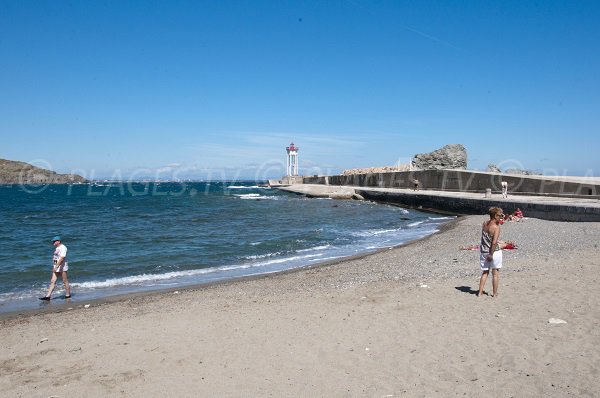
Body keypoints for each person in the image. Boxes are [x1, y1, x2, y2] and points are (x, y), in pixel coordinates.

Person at [477, 207, 509, 297]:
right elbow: (494, 242)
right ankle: (495, 294)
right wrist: (491, 254)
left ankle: (480, 292)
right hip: (493, 252)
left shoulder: (485, 223)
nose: (501, 217)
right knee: (495, 273)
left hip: (483, 251)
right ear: (495, 215)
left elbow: (486, 238)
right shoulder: (496, 227)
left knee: (485, 272)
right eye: (500, 215)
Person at [39, 236, 71, 300]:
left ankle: (67, 295)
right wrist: (55, 266)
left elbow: (62, 258)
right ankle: (48, 296)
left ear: (58, 241)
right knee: (52, 281)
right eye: (53, 241)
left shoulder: (63, 247)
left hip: (62, 266)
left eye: (54, 241)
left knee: (65, 281)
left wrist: (57, 266)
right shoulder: (57, 248)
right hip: (56, 266)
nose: (53, 242)